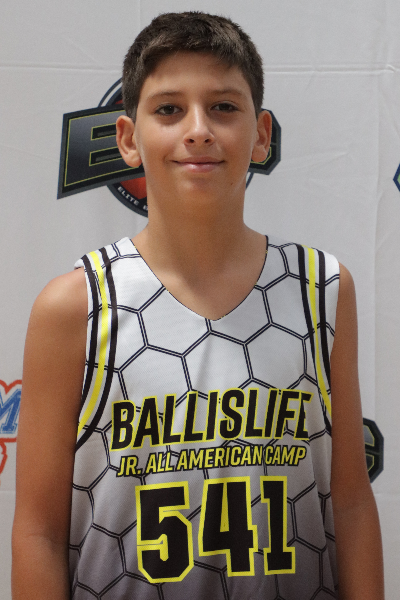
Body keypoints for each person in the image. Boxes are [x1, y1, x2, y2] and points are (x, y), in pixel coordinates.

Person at [12, 11, 384, 600]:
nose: (198, 130)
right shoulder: (75, 306)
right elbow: (38, 530)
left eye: (223, 107)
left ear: (261, 134)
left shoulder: (322, 288)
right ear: (128, 139)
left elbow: (353, 503)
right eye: (168, 109)